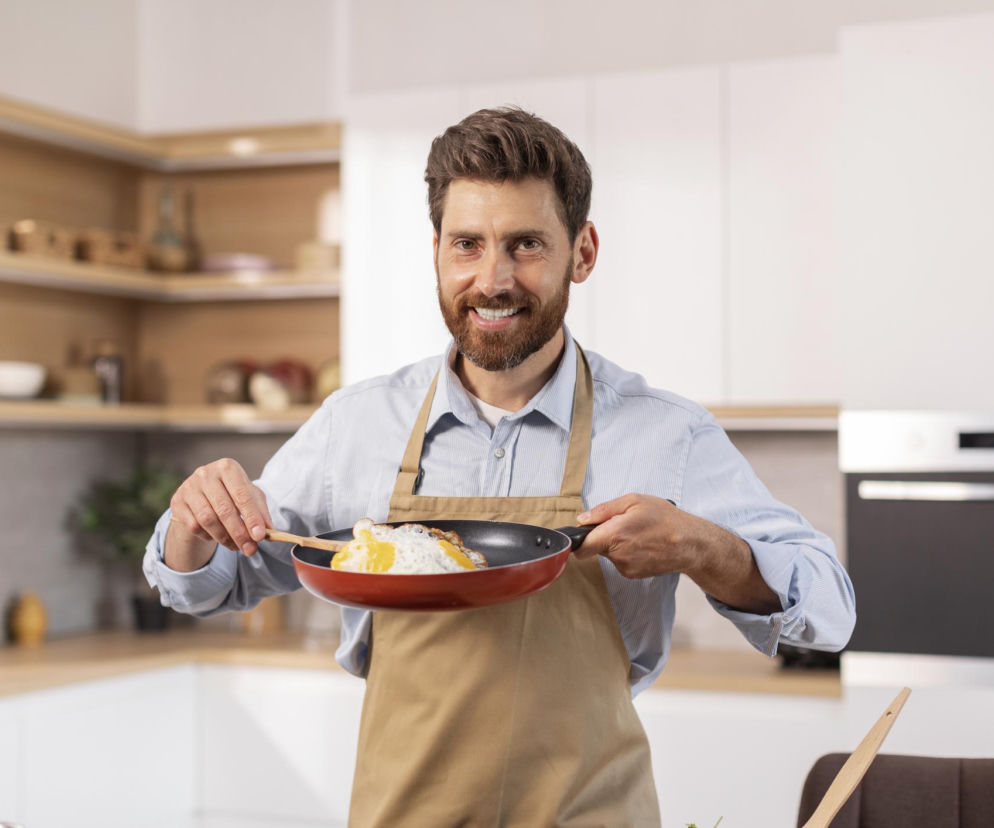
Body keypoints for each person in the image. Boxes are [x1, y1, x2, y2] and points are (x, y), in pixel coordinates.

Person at [144, 107, 855, 826]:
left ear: (582, 252)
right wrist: (194, 518)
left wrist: (704, 547)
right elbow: (203, 586)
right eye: (468, 244)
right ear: (436, 252)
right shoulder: (356, 426)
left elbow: (829, 613)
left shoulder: (665, 432)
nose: (492, 279)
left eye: (525, 245)